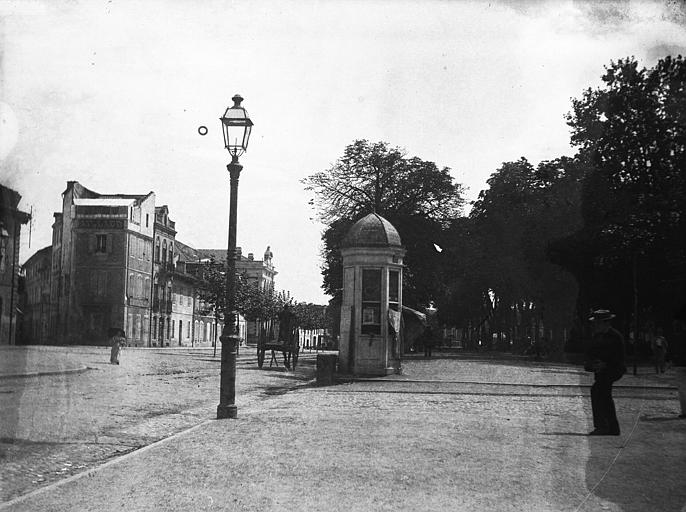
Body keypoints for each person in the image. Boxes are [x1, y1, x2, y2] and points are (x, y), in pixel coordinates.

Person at [585, 309, 626, 436]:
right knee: (604, 395)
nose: (595, 326)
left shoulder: (615, 337)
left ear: (605, 323)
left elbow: (618, 357)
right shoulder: (598, 336)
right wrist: (592, 363)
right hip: (602, 370)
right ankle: (612, 427)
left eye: (597, 323)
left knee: (598, 391)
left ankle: (602, 426)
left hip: (612, 369)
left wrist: (605, 364)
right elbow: (591, 352)